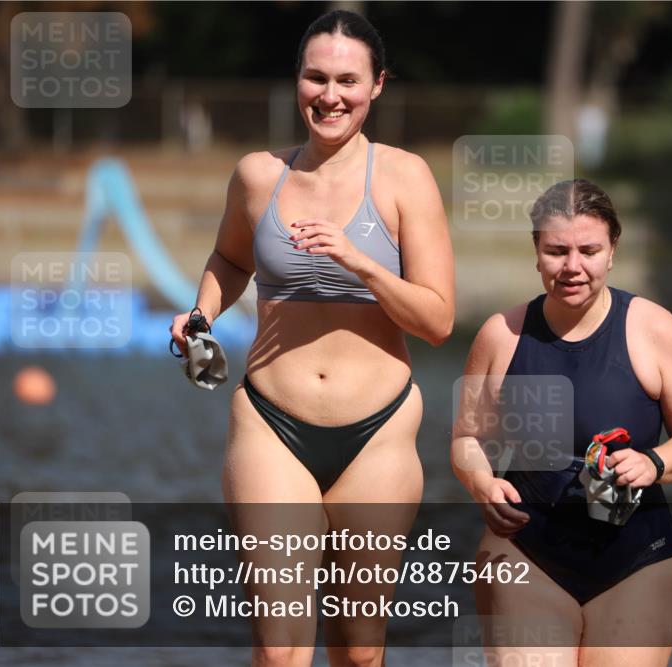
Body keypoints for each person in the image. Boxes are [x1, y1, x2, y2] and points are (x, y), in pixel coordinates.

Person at [170, 10, 454, 667]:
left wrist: (360, 262)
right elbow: (230, 260)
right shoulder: (256, 175)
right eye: (316, 77)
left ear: (377, 85)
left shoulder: (406, 178)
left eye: (348, 80)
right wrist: (201, 316)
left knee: (359, 651)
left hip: (377, 432)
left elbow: (437, 320)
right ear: (297, 81)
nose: (330, 94)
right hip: (271, 422)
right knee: (280, 648)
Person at [451, 179, 672, 667]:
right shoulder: (501, 335)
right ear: (536, 252)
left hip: (636, 554)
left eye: (589, 250)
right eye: (557, 250)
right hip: (526, 549)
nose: (572, 266)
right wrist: (479, 483)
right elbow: (467, 439)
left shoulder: (654, 329)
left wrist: (654, 462)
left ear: (612, 251)